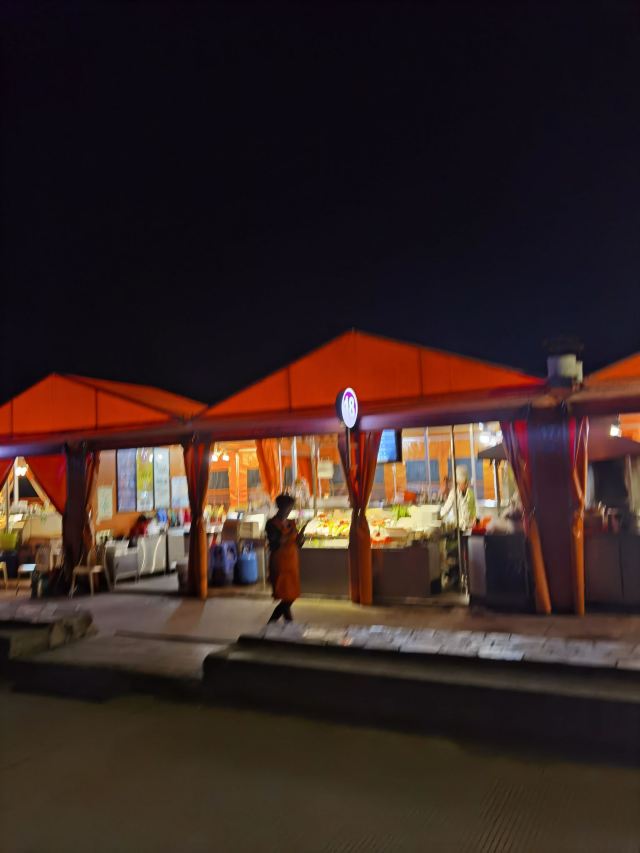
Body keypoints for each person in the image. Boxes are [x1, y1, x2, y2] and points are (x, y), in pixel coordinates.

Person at [265, 493, 308, 622]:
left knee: (290, 596)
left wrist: (301, 538)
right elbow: (275, 542)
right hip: (279, 564)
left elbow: (297, 544)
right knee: (287, 597)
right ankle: (273, 624)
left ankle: (287, 625)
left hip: (292, 563)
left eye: (291, 508)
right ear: (280, 507)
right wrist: (291, 535)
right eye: (288, 507)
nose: (289, 510)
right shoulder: (271, 524)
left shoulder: (291, 523)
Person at [440, 466, 477, 531]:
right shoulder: (453, 493)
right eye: (458, 484)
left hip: (470, 526)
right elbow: (446, 508)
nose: (458, 486)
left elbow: (474, 508)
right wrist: (438, 516)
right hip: (459, 527)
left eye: (461, 484)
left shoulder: (470, 493)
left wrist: (474, 518)